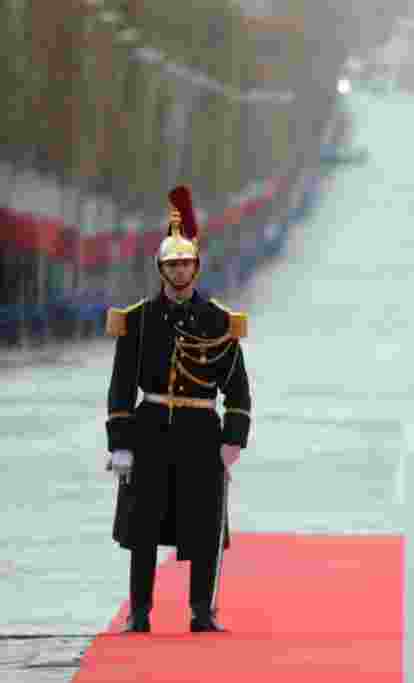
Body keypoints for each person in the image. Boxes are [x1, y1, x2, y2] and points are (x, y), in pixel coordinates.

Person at [104, 185, 252, 633]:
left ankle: (201, 611)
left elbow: (238, 391)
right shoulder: (139, 320)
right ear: (161, 269)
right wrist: (121, 446)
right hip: (150, 430)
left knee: (204, 526)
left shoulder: (218, 321)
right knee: (143, 527)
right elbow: (119, 390)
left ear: (197, 267)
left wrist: (232, 440)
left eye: (186, 262)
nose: (180, 270)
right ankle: (141, 612)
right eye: (172, 264)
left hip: (200, 432)